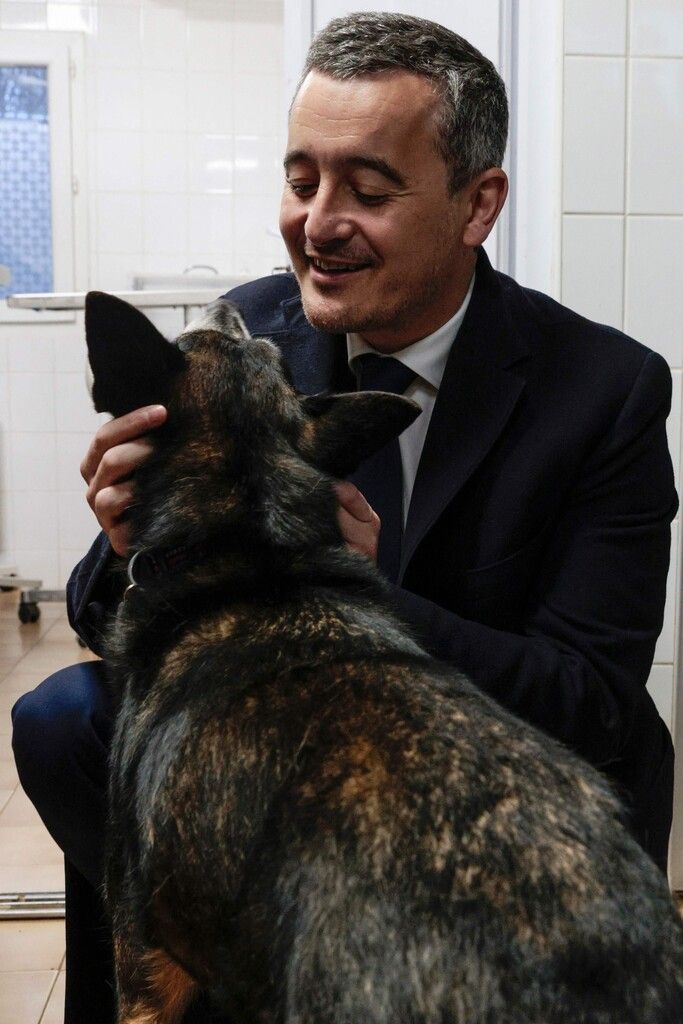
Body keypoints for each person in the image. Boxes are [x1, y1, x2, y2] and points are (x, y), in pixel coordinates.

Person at [12, 11, 677, 1024]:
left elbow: (587, 697)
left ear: (476, 204)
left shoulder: (601, 392)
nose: (316, 222)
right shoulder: (250, 333)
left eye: (366, 190)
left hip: (497, 792)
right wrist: (135, 542)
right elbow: (121, 628)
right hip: (277, 778)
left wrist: (372, 590)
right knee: (65, 719)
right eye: (299, 180)